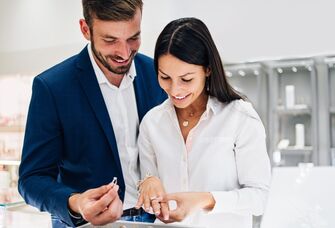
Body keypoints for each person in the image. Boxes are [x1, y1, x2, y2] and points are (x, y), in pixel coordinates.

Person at [18, 0, 166, 227]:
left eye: (133, 38)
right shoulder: (52, 87)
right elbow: (31, 179)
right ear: (85, 29)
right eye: (110, 40)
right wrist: (75, 202)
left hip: (153, 221)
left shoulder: (157, 75)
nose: (124, 53)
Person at [135, 17, 271, 228]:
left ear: (207, 69)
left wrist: (204, 199)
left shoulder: (240, 118)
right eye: (165, 77)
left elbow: (259, 199)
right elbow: (148, 178)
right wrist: (148, 183)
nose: (175, 89)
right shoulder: (151, 123)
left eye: (186, 79)